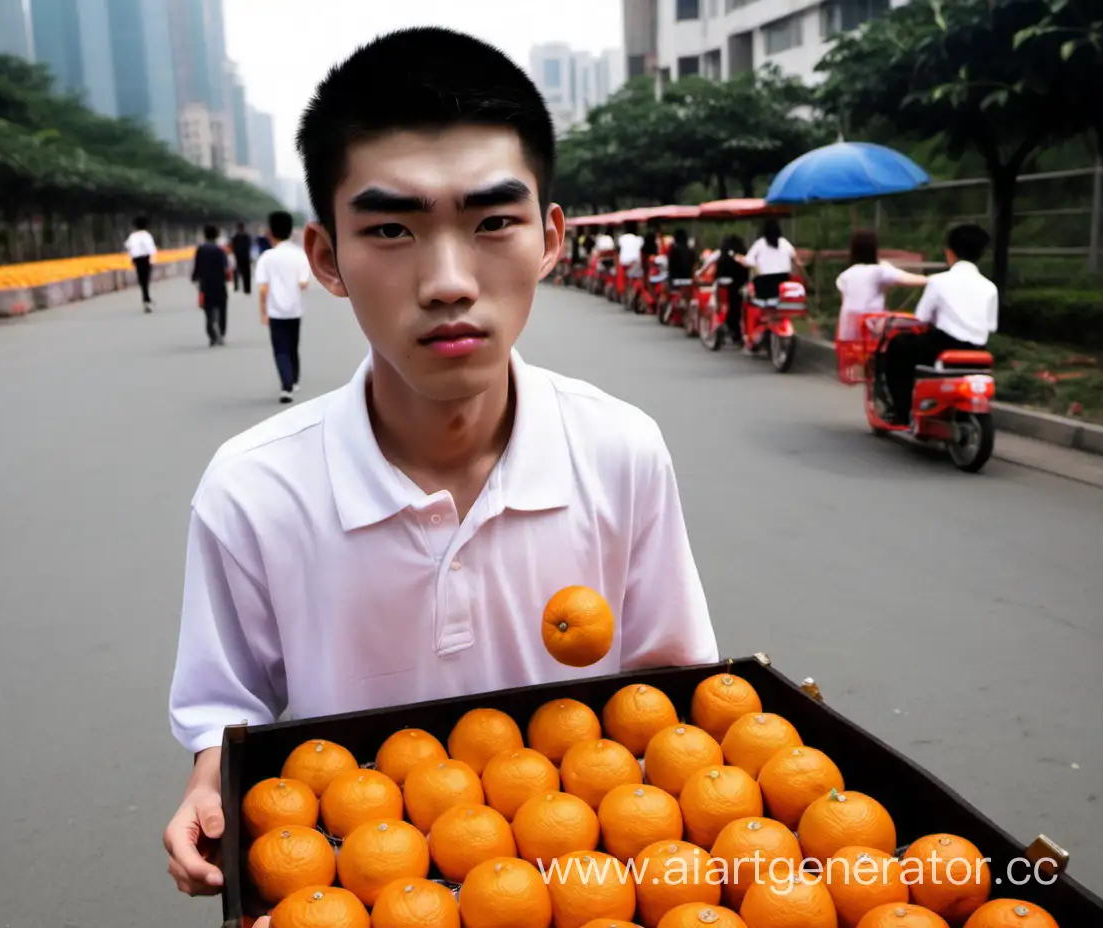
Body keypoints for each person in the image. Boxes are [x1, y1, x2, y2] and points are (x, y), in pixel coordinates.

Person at [162, 26, 718, 899]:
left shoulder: (618, 450)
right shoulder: (253, 490)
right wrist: (209, 782)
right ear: (325, 259)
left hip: (588, 890)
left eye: (495, 220)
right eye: (390, 228)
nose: (449, 280)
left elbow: (671, 689)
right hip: (358, 890)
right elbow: (225, 708)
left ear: (550, 238)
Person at [882, 223, 998, 425]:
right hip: (978, 348)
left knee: (898, 346)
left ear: (950, 253)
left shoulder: (938, 281)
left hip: (942, 345)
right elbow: (991, 326)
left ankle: (901, 411)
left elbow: (922, 317)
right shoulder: (990, 287)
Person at [253, 210, 312, 403]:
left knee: (280, 349)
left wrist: (263, 312)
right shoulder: (299, 255)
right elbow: (304, 284)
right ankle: (294, 380)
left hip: (275, 311)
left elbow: (263, 289)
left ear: (270, 232)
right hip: (294, 310)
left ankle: (286, 387)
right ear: (290, 232)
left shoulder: (266, 257)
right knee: (293, 346)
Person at [835, 230, 929, 342]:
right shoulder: (879, 271)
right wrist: (939, 279)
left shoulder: (844, 276)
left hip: (847, 336)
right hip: (872, 333)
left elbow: (846, 302)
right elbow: (912, 280)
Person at [743, 217, 804, 302]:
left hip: (764, 286)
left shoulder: (760, 243)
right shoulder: (785, 242)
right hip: (783, 282)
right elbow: (797, 262)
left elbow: (748, 261)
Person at [191, 225, 230, 347]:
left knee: (208, 311)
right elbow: (225, 267)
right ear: (217, 235)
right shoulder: (220, 250)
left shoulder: (200, 250)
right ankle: (221, 332)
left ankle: (212, 335)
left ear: (204, 235)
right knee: (222, 309)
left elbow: (197, 266)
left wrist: (194, 277)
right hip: (219, 283)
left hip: (205, 284)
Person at [710, 234, 750, 345]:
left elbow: (716, 273)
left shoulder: (721, 256)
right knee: (736, 308)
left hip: (722, 285)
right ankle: (737, 332)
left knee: (720, 305)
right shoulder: (741, 256)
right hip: (737, 286)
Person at [124, 216, 157, 312]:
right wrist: (153, 258)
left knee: (142, 280)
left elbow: (128, 246)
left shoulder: (132, 236)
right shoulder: (146, 235)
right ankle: (146, 298)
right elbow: (150, 248)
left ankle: (146, 298)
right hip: (145, 258)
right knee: (146, 279)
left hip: (136, 259)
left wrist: (131, 257)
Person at [230, 222, 253, 294]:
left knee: (246, 274)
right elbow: (232, 246)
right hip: (238, 257)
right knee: (237, 273)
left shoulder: (245, 236)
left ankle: (247, 288)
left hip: (245, 257)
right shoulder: (235, 237)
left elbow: (249, 246)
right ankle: (237, 286)